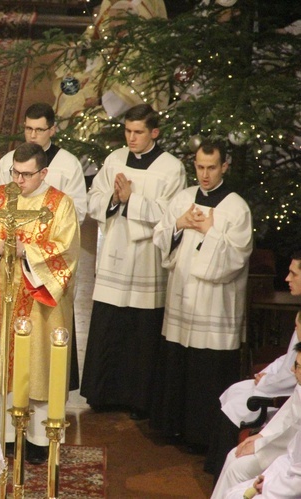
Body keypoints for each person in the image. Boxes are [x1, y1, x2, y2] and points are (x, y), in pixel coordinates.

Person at [0, 142, 80, 464]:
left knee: (38, 365)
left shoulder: (60, 205)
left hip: (39, 301)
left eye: (27, 174)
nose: (19, 180)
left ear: (43, 172)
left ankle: (41, 439)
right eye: (15, 171)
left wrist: (29, 252)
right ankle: (3, 435)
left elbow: (67, 250)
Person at [80, 103, 186, 420]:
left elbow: (171, 213)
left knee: (141, 330)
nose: (131, 138)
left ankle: (139, 400)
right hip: (115, 253)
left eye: (138, 132)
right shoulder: (114, 160)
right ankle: (103, 393)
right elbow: (93, 199)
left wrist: (132, 200)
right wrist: (113, 199)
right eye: (127, 131)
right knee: (109, 323)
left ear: (154, 132)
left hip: (146, 259)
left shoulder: (171, 168)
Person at [149, 140, 253, 452]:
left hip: (214, 306)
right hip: (182, 298)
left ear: (224, 166)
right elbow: (160, 238)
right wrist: (179, 225)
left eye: (211, 167)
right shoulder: (183, 198)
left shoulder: (237, 207)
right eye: (199, 167)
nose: (204, 174)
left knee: (206, 370)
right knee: (179, 362)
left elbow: (236, 258)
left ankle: (201, 435)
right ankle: (173, 428)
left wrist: (211, 232)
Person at [206, 252, 301, 476]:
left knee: (237, 405)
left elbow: (293, 373)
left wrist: (267, 381)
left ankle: (221, 466)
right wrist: (266, 373)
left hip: (283, 394)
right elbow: (288, 359)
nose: (287, 278)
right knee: (232, 393)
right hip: (277, 384)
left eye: (293, 273)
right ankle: (216, 467)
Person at [212, 342, 301, 498]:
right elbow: (287, 417)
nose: (293, 370)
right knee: (234, 456)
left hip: (286, 473)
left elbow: (296, 476)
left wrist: (268, 483)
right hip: (284, 460)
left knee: (236, 474)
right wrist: (260, 437)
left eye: (298, 366)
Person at [0, 103, 87, 224]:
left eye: (39, 130)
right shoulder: (8, 161)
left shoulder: (68, 165)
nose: (33, 136)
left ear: (52, 130)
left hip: (48, 235)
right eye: (29, 129)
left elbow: (77, 212)